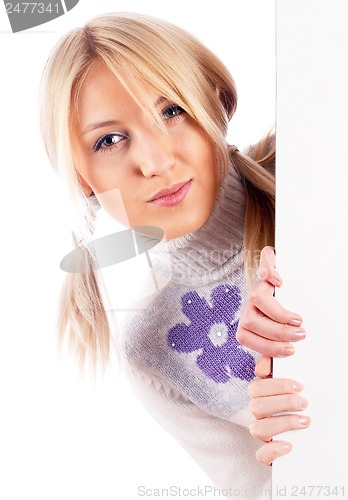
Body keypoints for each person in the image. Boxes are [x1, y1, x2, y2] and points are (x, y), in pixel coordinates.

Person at [40, 12, 310, 499]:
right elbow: (266, 490)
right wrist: (302, 458)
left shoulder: (317, 170)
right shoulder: (153, 350)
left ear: (214, 103)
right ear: (83, 180)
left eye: (171, 110)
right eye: (109, 140)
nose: (155, 161)